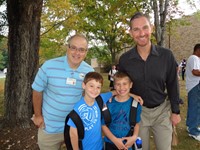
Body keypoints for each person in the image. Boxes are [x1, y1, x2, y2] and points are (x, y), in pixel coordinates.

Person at [118, 12, 181, 150]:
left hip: (162, 112)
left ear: (151, 28)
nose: (141, 33)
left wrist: (175, 111)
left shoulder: (166, 55)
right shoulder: (125, 60)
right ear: (130, 32)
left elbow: (172, 84)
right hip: (138, 113)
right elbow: (119, 87)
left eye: (145, 27)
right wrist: (130, 95)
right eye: (136, 29)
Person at [31, 34, 94, 150]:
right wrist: (38, 115)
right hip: (50, 128)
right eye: (73, 48)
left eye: (81, 49)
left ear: (86, 52)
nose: (77, 53)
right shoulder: (49, 66)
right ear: (67, 47)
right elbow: (37, 90)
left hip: (74, 126)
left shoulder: (89, 72)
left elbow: (91, 96)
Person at [66, 72, 116, 150]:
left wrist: (133, 95)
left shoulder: (100, 99)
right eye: (91, 86)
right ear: (84, 85)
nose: (94, 90)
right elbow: (73, 134)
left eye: (98, 87)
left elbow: (115, 92)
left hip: (99, 147)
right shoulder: (78, 109)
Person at [102, 71, 142, 150]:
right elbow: (103, 125)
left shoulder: (135, 104)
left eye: (124, 84)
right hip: (111, 143)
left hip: (128, 143)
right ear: (114, 86)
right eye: (118, 84)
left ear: (130, 85)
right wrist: (115, 140)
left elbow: (136, 123)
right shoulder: (108, 104)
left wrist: (134, 136)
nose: (121, 87)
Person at [185, 43, 200, 141]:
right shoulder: (194, 57)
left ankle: (190, 125)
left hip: (193, 86)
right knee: (195, 107)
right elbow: (195, 72)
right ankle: (193, 131)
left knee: (193, 106)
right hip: (194, 86)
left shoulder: (194, 58)